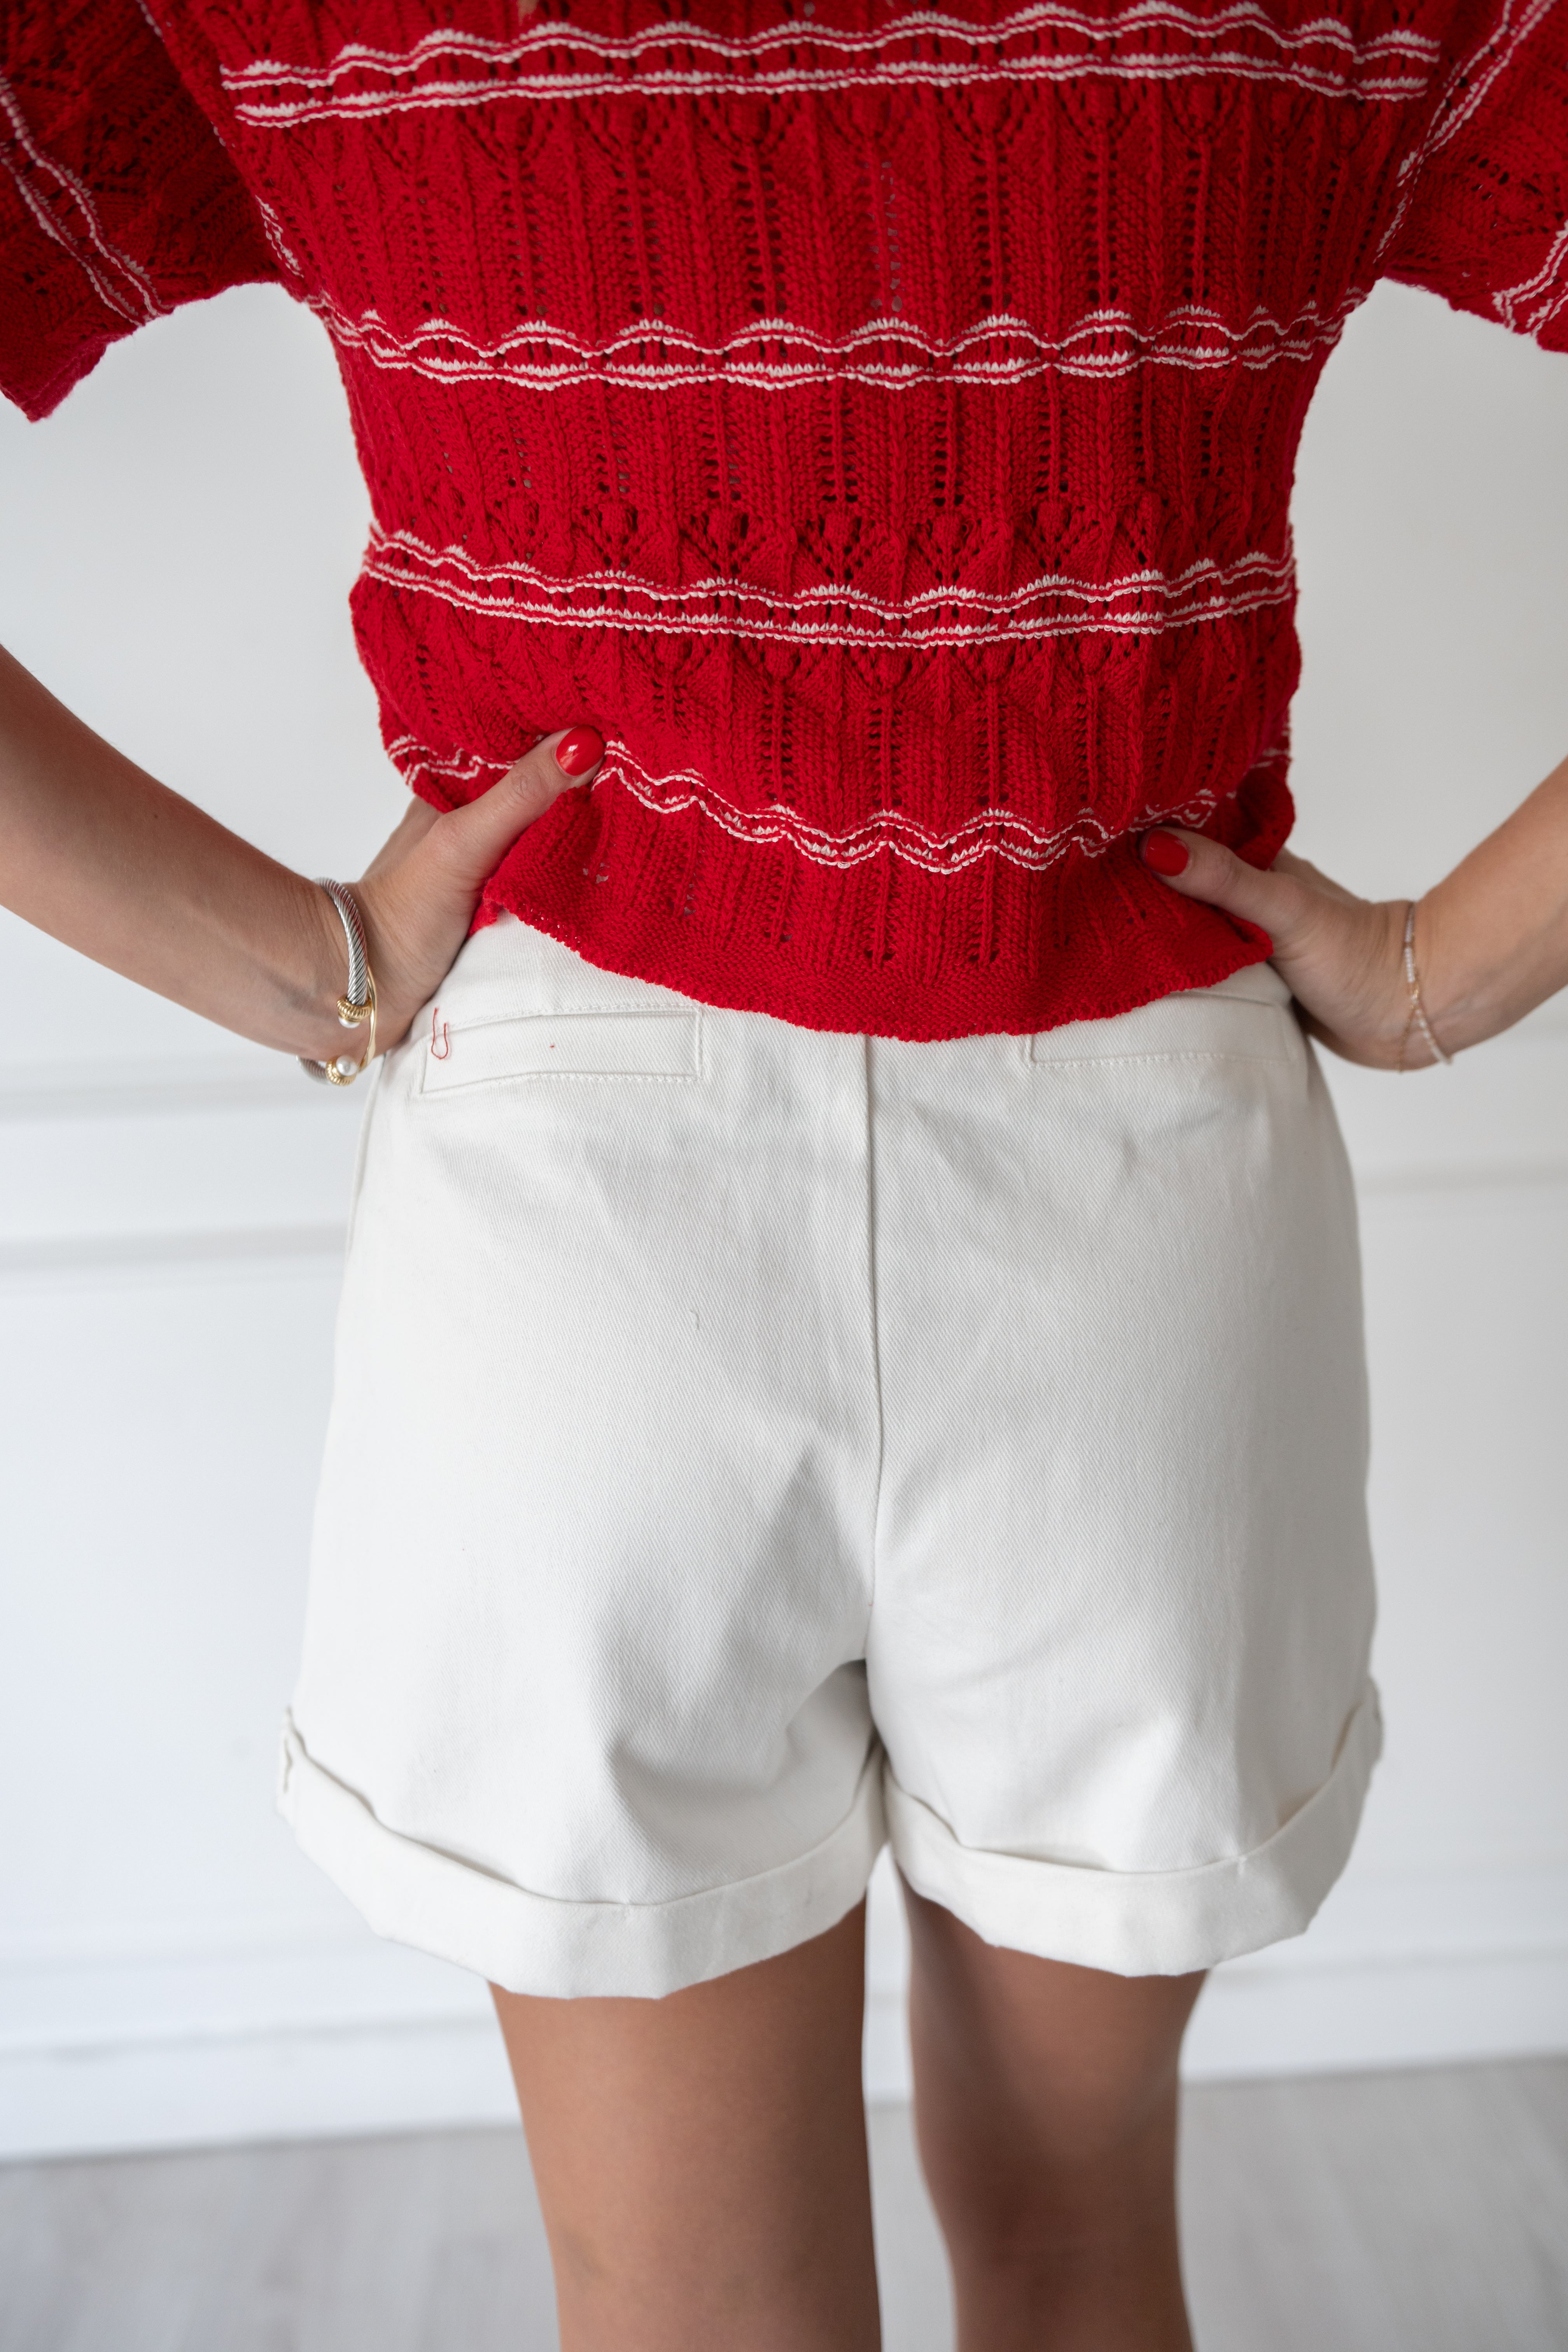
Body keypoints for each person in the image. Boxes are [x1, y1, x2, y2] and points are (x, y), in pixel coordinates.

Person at [3, 1, 1566, 2345]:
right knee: (1078, 2244)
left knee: (689, 2309)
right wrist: (1443, 974)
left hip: (585, 1226)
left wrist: (301, 964)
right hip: (1134, 1195)